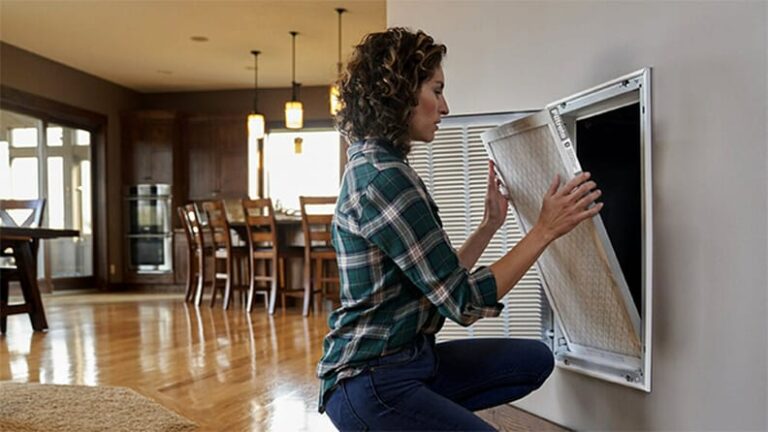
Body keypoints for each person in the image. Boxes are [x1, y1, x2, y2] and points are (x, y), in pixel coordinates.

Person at [317, 27, 603, 431]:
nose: (446, 107)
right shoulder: (384, 180)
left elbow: (438, 284)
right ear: (400, 94)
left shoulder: (383, 166)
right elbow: (462, 302)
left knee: (535, 359)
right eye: (437, 90)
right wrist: (544, 229)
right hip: (370, 381)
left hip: (413, 360)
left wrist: (489, 226)